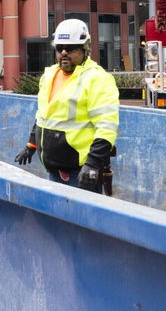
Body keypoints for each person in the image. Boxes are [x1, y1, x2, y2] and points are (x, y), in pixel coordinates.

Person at [13, 19, 119, 193]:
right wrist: (31, 145)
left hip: (80, 172)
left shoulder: (96, 78)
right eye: (59, 47)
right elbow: (43, 116)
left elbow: (106, 126)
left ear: (85, 49)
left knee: (82, 219)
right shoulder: (50, 75)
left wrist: (92, 164)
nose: (63, 53)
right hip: (54, 169)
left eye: (70, 48)